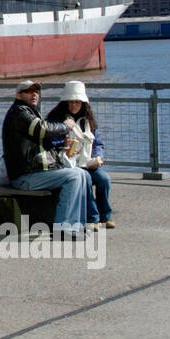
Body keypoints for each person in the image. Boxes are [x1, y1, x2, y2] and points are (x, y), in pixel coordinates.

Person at [0, 79, 88, 235]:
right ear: (18, 95)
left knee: (82, 174)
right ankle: (62, 227)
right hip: (24, 176)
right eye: (29, 91)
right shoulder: (19, 112)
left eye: (36, 91)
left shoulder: (29, 111)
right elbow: (42, 129)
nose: (34, 94)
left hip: (35, 172)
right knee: (73, 176)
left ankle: (77, 225)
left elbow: (40, 142)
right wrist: (65, 126)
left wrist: (62, 147)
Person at [47, 80, 114, 229]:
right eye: (70, 102)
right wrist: (63, 144)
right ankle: (92, 218)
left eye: (77, 102)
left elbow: (98, 143)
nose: (73, 106)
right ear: (65, 102)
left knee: (104, 179)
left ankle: (106, 216)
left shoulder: (88, 120)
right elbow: (50, 142)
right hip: (69, 164)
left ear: (83, 103)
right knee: (87, 180)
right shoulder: (55, 120)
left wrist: (98, 158)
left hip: (88, 162)